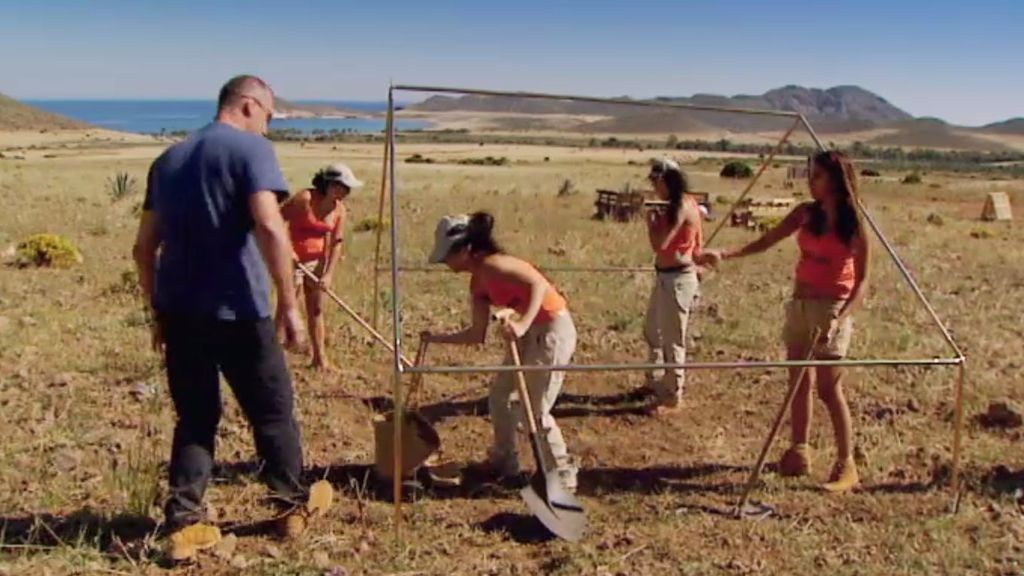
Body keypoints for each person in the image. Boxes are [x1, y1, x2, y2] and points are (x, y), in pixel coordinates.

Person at [133, 75, 332, 562]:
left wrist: (158, 311)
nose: (267, 125)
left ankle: (184, 522)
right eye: (267, 115)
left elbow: (143, 249)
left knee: (196, 417)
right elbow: (268, 224)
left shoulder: (168, 160)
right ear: (248, 106)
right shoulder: (250, 150)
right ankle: (289, 506)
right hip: (240, 310)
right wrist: (289, 304)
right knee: (272, 410)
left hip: (180, 310)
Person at [711, 150, 870, 492]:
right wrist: (725, 254)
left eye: (817, 176)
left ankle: (847, 465)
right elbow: (767, 241)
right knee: (799, 382)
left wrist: (840, 320)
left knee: (829, 389)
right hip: (799, 305)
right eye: (810, 175)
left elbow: (862, 283)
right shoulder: (805, 213)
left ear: (836, 179)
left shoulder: (852, 222)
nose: (811, 182)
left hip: (831, 309)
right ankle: (799, 452)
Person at [421, 212, 579, 492]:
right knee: (500, 398)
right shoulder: (477, 283)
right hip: (528, 333)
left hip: (553, 330)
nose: (445, 263)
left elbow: (539, 285)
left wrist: (522, 324)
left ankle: (562, 478)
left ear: (466, 249)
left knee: (535, 409)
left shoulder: (497, 265)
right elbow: (476, 335)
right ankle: (505, 461)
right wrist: (435, 338)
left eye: (448, 256)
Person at [643, 158, 714, 414]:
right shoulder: (678, 205)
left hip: (677, 278)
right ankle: (657, 381)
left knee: (673, 339)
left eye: (655, 181)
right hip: (666, 275)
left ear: (666, 180)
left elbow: (660, 245)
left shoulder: (682, 206)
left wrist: (651, 224)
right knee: (652, 330)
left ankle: (673, 395)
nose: (653, 186)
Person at [279, 163, 362, 371]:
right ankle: (275, 353)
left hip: (318, 263)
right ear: (331, 184)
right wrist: (288, 250)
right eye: (343, 187)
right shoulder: (305, 199)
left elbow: (337, 243)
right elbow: (278, 221)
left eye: (348, 188)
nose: (346, 192)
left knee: (316, 308)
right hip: (292, 260)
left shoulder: (339, 209)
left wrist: (328, 274)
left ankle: (319, 359)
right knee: (288, 304)